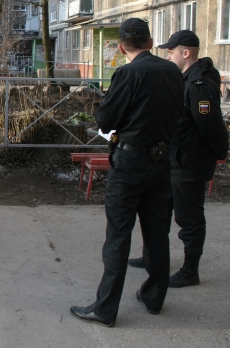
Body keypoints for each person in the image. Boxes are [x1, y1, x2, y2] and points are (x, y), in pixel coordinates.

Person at [70, 18, 184, 327]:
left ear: (121, 47)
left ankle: (105, 309)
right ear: (150, 42)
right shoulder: (173, 71)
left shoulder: (127, 73)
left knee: (118, 235)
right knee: (157, 231)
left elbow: (106, 121)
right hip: (162, 163)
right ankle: (154, 296)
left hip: (130, 163)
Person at [127, 30, 230, 289]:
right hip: (174, 158)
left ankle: (190, 270)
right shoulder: (183, 78)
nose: (168, 56)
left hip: (191, 160)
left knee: (189, 218)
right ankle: (152, 258)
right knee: (161, 212)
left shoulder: (200, 83)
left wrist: (221, 152)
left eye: (171, 52)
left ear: (186, 53)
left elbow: (208, 123)